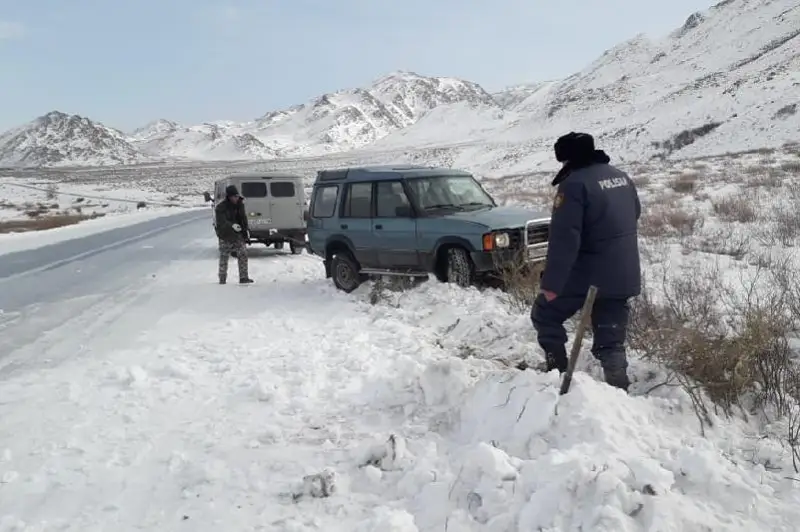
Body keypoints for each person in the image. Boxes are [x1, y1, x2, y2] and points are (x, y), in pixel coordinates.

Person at [532, 132, 641, 391]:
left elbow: (564, 240)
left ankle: (556, 374)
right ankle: (619, 392)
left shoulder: (574, 185)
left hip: (589, 274)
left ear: (567, 158)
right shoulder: (621, 177)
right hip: (625, 271)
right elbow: (634, 214)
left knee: (545, 314)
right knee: (610, 334)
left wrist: (552, 284)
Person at [214, 185, 254, 285]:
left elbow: (243, 219)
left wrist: (246, 233)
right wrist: (232, 225)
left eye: (236, 196)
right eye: (233, 197)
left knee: (243, 253)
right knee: (224, 257)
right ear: (229, 197)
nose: (236, 198)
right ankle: (222, 279)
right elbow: (221, 222)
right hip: (225, 235)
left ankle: (244, 277)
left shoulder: (240, 205)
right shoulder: (220, 208)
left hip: (238, 235)